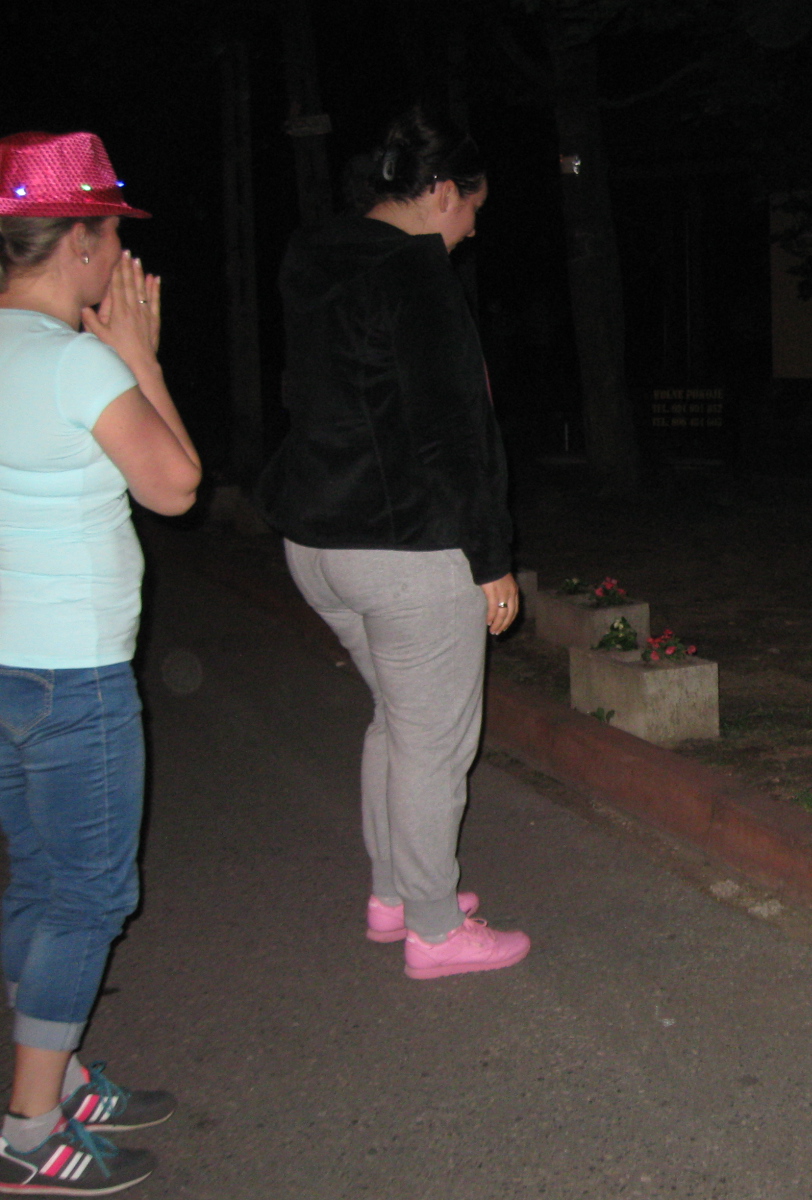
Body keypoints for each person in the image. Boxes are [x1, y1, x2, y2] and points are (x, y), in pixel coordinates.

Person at [256, 106, 530, 980]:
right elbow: (453, 429)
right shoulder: (415, 270)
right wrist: (490, 556)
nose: (473, 227)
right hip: (405, 546)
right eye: (472, 207)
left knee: (397, 720)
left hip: (317, 540)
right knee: (434, 743)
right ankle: (436, 932)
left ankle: (394, 898)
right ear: (442, 192)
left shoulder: (312, 256)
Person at [0, 130, 199, 1193]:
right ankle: (28, 1133)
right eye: (111, 234)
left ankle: (58, 1076)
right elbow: (175, 485)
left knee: (38, 880)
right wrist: (139, 356)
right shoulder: (77, 362)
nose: (119, 255)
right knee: (87, 896)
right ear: (76, 242)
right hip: (71, 677)